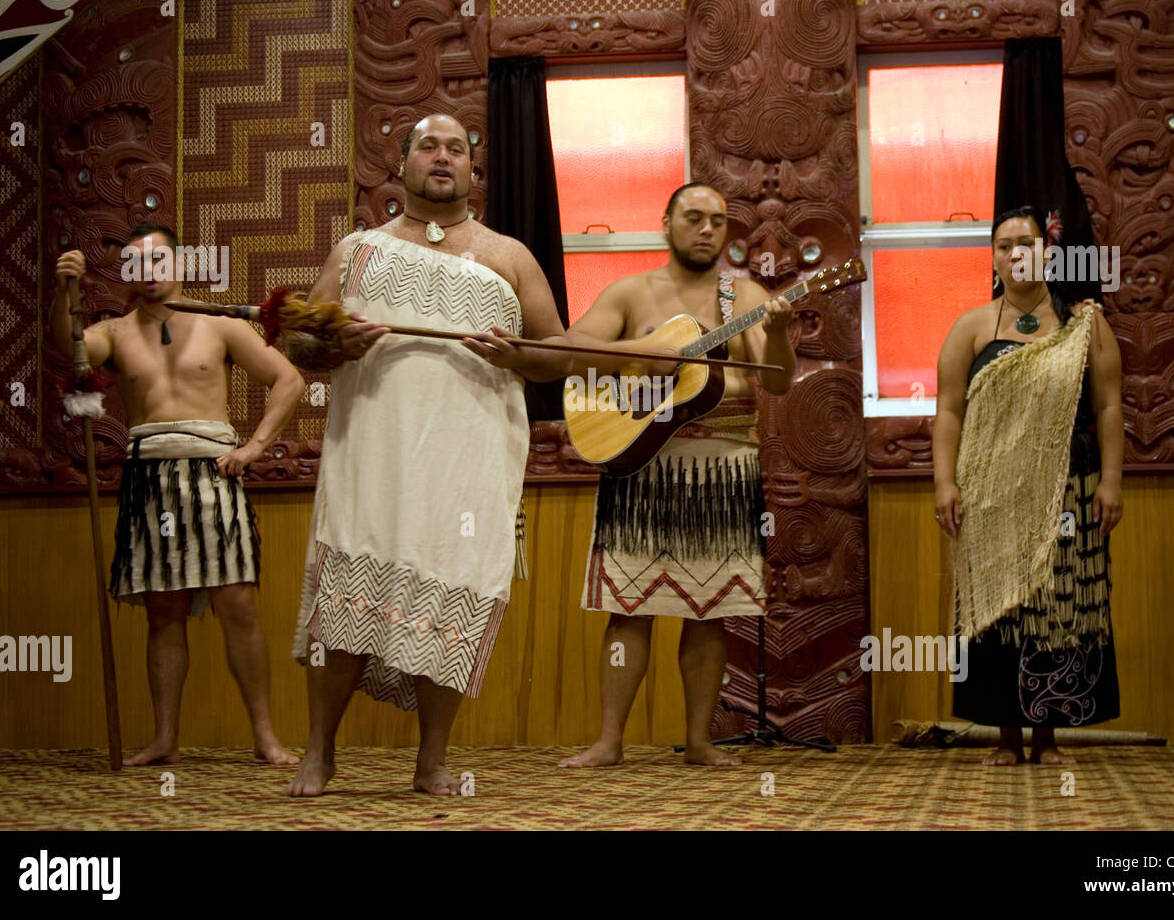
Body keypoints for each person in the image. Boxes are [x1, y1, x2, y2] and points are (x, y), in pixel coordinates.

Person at [284, 113, 605, 796]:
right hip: (374, 452)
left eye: (456, 149)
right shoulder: (356, 252)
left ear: (472, 172)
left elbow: (561, 355)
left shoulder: (508, 256)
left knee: (452, 591)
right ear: (400, 165)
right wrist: (335, 345)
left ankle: (431, 760)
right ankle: (319, 752)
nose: (442, 156)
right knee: (347, 595)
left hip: (470, 461)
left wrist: (523, 356)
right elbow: (300, 349)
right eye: (428, 145)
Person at [559, 183, 795, 768]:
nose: (708, 229)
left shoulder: (743, 295)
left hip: (722, 468)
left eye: (718, 221)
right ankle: (609, 741)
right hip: (641, 459)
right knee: (628, 606)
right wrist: (642, 356)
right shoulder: (632, 292)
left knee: (710, 609)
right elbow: (571, 346)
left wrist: (782, 332)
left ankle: (699, 741)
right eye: (694, 218)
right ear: (667, 223)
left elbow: (779, 382)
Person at [49, 223, 304, 765]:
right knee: (162, 612)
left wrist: (255, 446)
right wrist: (64, 292)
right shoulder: (114, 332)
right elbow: (71, 352)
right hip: (149, 479)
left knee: (237, 603)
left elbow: (289, 380)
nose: (150, 271)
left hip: (213, 473)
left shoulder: (219, 326)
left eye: (160, 259)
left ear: (180, 265)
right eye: (137, 262)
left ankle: (265, 737)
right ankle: (165, 739)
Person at [933, 205, 1124, 765]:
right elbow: (947, 412)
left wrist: (1111, 479)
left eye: (1027, 243)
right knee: (1002, 608)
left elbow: (1109, 406)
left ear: (1048, 251)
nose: (1016, 253)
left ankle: (1049, 734)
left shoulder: (1085, 323)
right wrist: (945, 482)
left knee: (1061, 606)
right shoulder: (971, 327)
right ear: (992, 258)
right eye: (1003, 245)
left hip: (1069, 489)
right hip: (991, 493)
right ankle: (1007, 736)